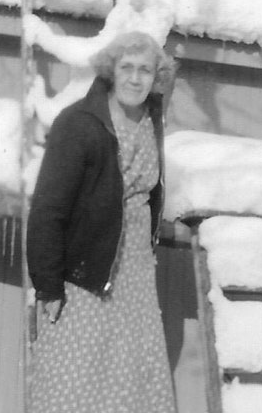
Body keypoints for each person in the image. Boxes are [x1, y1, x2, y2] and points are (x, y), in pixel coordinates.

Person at [27, 31, 178, 413]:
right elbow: (48, 210)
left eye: (146, 70)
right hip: (85, 273)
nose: (135, 78)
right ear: (110, 71)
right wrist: (48, 287)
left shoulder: (151, 117)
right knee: (77, 382)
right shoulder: (79, 123)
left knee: (132, 380)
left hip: (136, 274)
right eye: (126, 67)